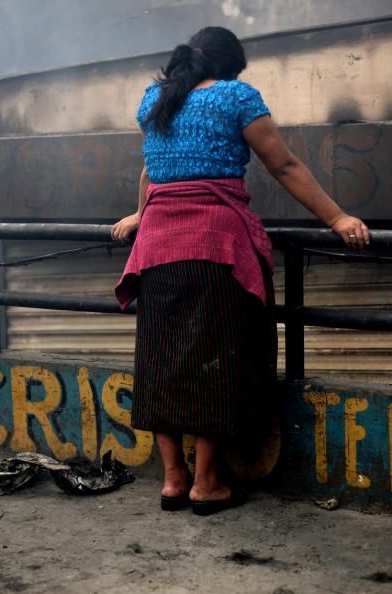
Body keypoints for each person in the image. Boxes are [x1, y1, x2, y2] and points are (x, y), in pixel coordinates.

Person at [112, 26, 369, 516]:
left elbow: (152, 169)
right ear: (231, 66)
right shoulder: (235, 97)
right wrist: (338, 218)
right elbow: (285, 165)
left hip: (158, 245)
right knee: (216, 358)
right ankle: (207, 485)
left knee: (162, 358)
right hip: (215, 244)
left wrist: (143, 215)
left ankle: (172, 481)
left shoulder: (155, 98)